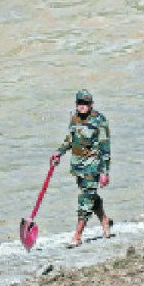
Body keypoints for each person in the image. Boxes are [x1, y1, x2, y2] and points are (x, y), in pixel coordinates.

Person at [50, 89, 112, 248]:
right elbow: (70, 138)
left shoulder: (99, 121)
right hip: (78, 166)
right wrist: (59, 152)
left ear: (91, 105)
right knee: (90, 197)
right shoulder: (75, 118)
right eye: (80, 103)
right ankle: (105, 221)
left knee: (85, 200)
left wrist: (105, 172)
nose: (82, 106)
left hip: (93, 166)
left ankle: (77, 236)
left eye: (85, 103)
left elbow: (105, 148)